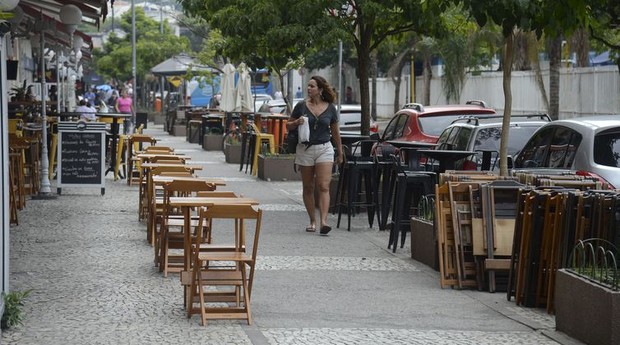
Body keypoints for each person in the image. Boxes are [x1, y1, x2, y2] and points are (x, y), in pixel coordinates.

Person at [286, 75, 343, 235]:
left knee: (323, 186)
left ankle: (324, 222)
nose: (309, 88)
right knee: (308, 186)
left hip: (325, 148)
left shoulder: (330, 108)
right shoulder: (301, 106)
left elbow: (335, 132)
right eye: (308, 86)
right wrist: (296, 123)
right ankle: (312, 220)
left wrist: (340, 151)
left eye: (312, 86)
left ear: (320, 89)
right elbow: (288, 126)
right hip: (305, 149)